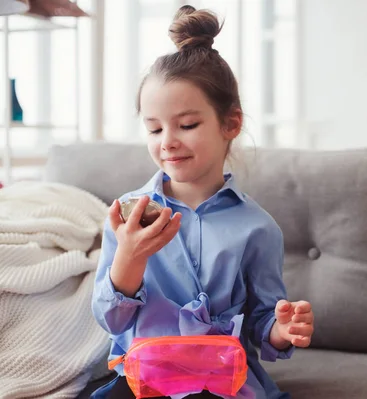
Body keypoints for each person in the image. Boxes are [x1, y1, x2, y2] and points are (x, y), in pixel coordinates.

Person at [90, 5, 314, 399]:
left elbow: (264, 324)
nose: (167, 141)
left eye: (187, 125)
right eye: (154, 128)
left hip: (222, 382)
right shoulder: (130, 214)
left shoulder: (258, 227)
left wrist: (282, 329)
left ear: (230, 123)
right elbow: (110, 318)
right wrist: (130, 256)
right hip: (145, 380)